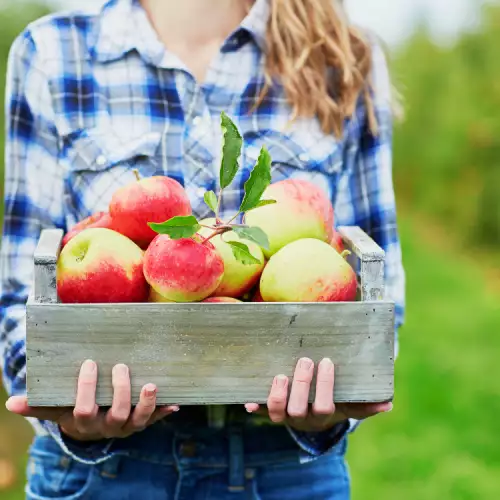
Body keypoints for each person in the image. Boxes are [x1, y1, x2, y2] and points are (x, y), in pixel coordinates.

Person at [1, 0, 405, 498]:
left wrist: (335, 403)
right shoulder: (53, 52)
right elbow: (21, 282)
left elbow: (377, 281)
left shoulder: (342, 54)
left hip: (283, 468)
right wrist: (63, 405)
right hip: (101, 476)